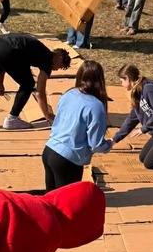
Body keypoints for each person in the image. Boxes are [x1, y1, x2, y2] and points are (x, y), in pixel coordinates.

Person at [42, 61, 111, 189]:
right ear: (100, 80)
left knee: (50, 201)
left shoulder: (68, 94)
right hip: (68, 159)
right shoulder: (96, 106)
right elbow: (95, 144)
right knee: (66, 204)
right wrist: (109, 144)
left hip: (49, 149)